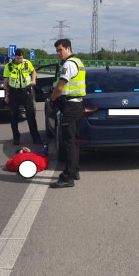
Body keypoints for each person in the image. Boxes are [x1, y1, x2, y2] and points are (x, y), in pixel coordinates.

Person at [49, 38, 85, 189]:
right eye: (57, 51)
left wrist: (51, 99)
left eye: (60, 50)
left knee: (68, 142)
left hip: (70, 106)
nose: (58, 53)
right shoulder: (78, 62)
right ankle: (75, 171)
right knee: (74, 141)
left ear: (68, 48)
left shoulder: (69, 64)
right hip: (77, 105)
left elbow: (59, 88)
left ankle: (68, 177)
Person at [3, 48, 42, 145]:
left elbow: (33, 72)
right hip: (13, 92)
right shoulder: (9, 66)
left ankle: (36, 138)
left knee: (31, 115)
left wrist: (34, 81)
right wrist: (6, 95)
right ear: (15, 57)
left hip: (26, 91)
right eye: (18, 58)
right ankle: (16, 138)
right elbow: (6, 81)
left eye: (21, 58)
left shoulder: (27, 63)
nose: (20, 59)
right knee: (14, 117)